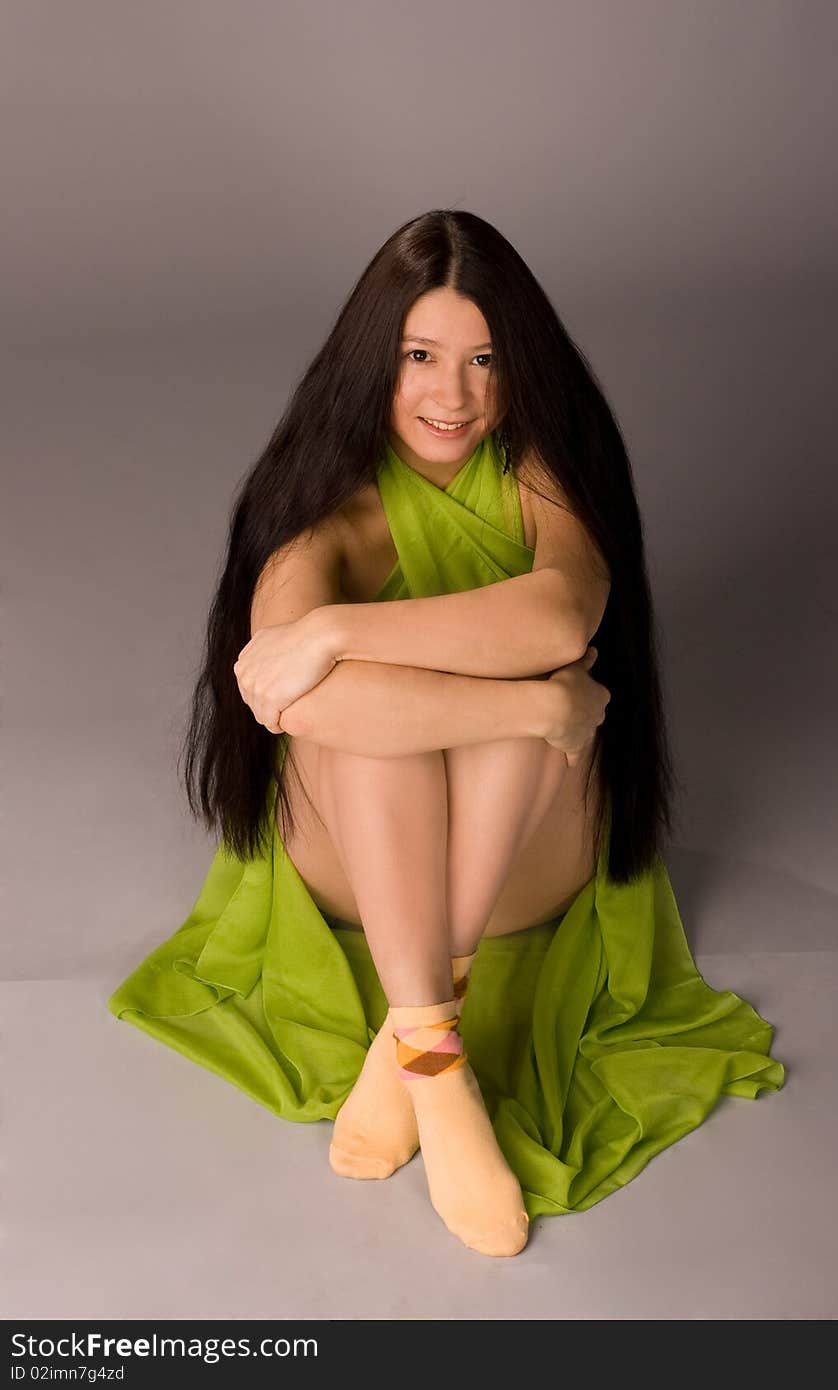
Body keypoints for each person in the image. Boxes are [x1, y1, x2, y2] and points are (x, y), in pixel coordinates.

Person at [108, 209, 785, 1259]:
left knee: (507, 668)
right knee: (433, 717)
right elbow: (302, 706)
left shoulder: (539, 481)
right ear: (368, 361)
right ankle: (438, 1044)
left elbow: (560, 613)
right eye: (419, 356)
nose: (452, 395)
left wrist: (339, 632)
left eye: (484, 360)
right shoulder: (322, 512)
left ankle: (414, 1035)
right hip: (351, 854)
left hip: (525, 860)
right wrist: (531, 703)